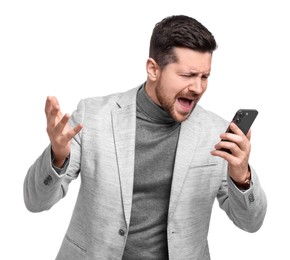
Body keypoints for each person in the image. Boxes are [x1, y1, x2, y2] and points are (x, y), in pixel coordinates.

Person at [24, 15, 267, 260]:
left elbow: (251, 222)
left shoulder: (216, 133)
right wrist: (57, 157)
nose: (198, 88)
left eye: (204, 77)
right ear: (153, 69)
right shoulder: (94, 116)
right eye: (187, 75)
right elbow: (35, 201)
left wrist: (242, 177)